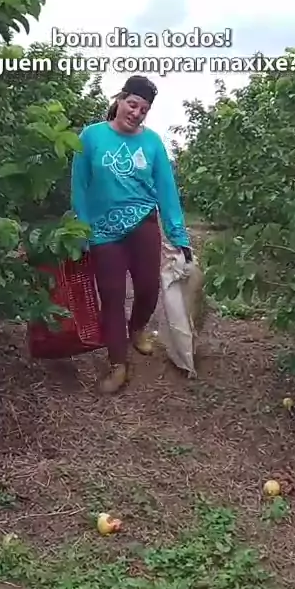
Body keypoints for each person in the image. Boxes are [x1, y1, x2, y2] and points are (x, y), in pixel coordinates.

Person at [71, 75, 192, 394]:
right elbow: (79, 186)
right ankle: (118, 364)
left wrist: (178, 236)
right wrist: (81, 229)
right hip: (103, 230)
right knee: (111, 296)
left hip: (142, 222)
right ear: (120, 100)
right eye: (133, 104)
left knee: (149, 287)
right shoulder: (92, 136)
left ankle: (137, 327)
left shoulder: (152, 142)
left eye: (144, 110)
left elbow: (167, 191)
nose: (137, 113)